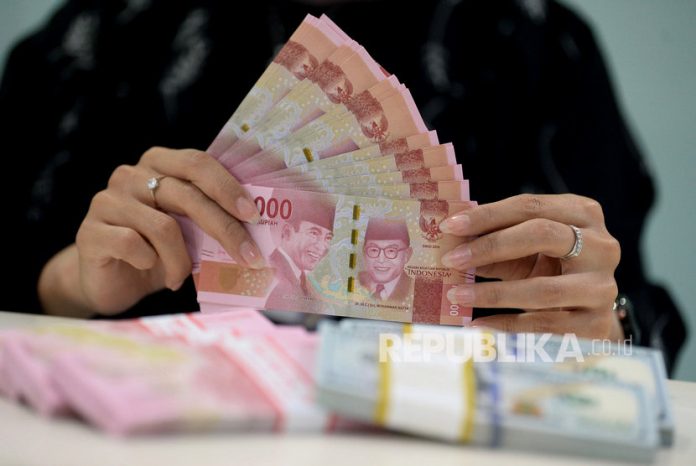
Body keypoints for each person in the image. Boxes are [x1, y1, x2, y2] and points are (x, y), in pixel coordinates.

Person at [0, 0, 685, 373]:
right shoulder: (97, 44)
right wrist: (68, 286)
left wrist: (607, 330)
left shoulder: (536, 47)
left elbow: (630, 307)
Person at [265, 193, 334, 310]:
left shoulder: (303, 280)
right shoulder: (273, 278)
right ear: (287, 232)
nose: (321, 247)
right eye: (314, 233)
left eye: (328, 238)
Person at [358, 217, 414, 303]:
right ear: (364, 252)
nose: (381, 260)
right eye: (374, 250)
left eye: (391, 251)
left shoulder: (417, 291)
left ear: (407, 255)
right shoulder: (352, 282)